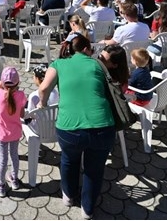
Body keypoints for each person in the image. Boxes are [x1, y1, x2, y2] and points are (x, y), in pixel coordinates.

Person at [38, 34, 115, 219]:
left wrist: (43, 104)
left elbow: (42, 89)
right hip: (103, 126)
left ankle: (69, 195)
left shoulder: (58, 64)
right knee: (94, 170)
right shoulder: (97, 64)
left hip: (69, 128)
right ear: (87, 49)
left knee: (69, 160)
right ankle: (87, 210)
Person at [0, 67, 27, 197]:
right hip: (15, 133)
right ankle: (15, 180)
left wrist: (1, 83)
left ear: (2, 83)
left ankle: (1, 186)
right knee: (14, 156)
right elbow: (22, 114)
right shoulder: (21, 96)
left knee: (3, 160)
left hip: (1, 134)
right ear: (17, 83)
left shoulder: (0, 95)